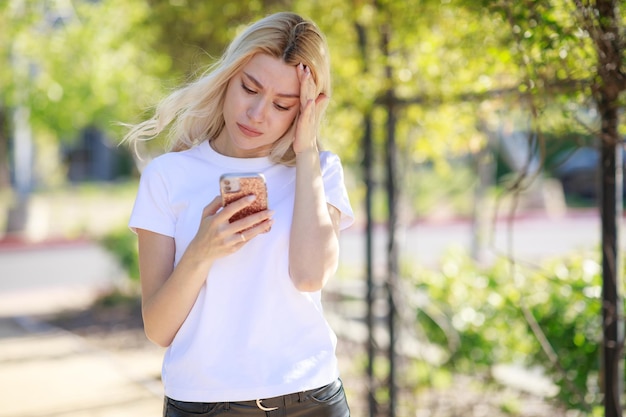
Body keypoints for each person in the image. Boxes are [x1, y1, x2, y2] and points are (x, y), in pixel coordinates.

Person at [124, 11, 354, 417]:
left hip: (310, 399)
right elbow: (158, 329)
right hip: (203, 405)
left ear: (303, 109)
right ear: (229, 78)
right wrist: (201, 251)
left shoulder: (319, 170)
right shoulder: (168, 176)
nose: (258, 113)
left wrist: (305, 153)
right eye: (250, 88)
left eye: (282, 104)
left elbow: (309, 275)